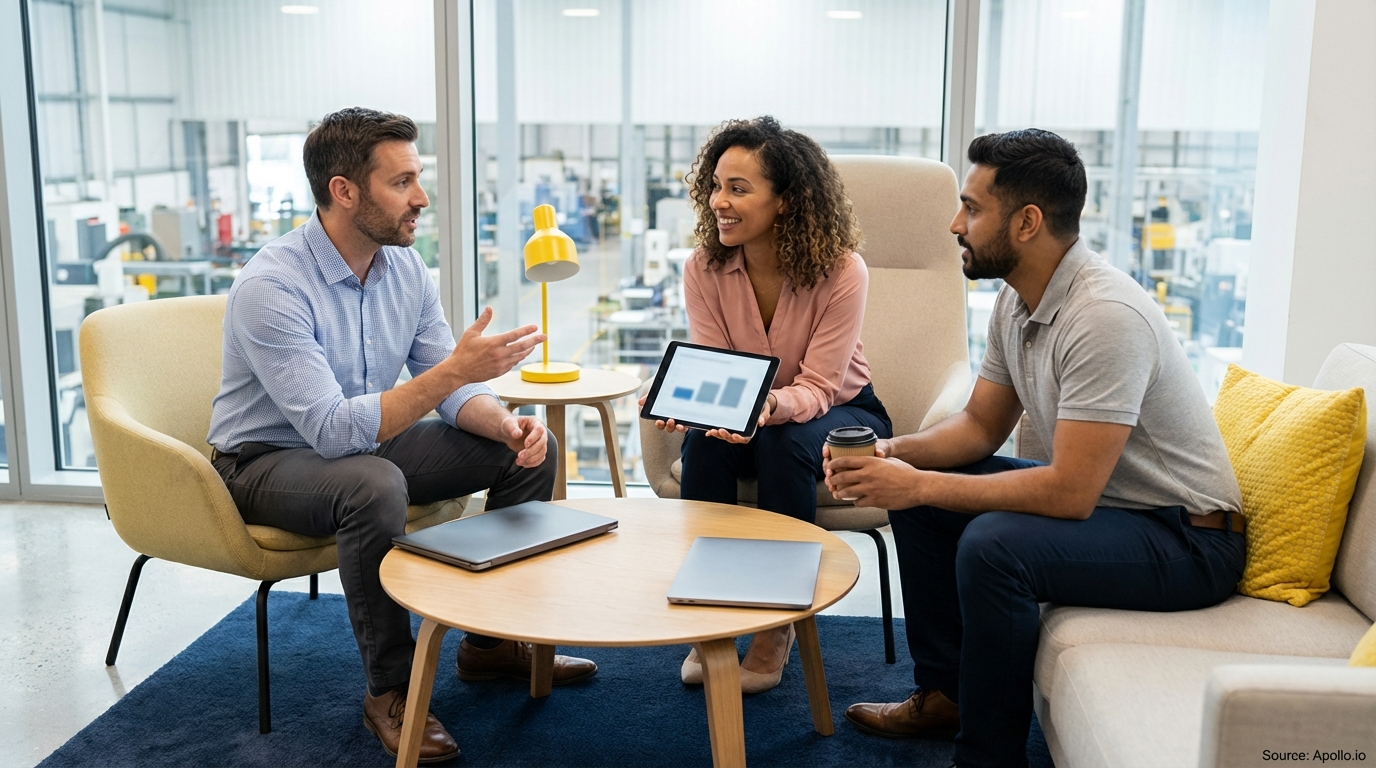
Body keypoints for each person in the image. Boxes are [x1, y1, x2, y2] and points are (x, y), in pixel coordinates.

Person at [826, 129, 1245, 768]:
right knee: (920, 491)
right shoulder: (1017, 301)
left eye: (971, 207)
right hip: (1117, 510)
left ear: (1026, 222)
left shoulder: (1104, 316)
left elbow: (1069, 493)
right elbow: (978, 429)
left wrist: (917, 483)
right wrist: (894, 454)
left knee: (994, 548)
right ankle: (946, 695)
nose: (953, 224)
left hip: (1186, 539)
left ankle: (988, 756)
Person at [207, 107, 598, 763]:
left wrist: (503, 421)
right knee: (372, 483)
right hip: (262, 464)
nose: (421, 197)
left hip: (362, 443)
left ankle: (489, 643)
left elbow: (451, 387)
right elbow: (333, 430)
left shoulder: (404, 269)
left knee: (528, 450)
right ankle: (391, 690)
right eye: (403, 181)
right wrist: (452, 374)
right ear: (344, 191)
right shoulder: (271, 286)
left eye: (419, 178)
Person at [645, 116, 892, 694]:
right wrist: (689, 401)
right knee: (702, 442)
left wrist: (763, 409)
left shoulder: (842, 271)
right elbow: (717, 369)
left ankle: (777, 624)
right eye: (715, 186)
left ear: (786, 201)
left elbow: (821, 387)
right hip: (752, 413)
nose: (719, 201)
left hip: (843, 411)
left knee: (786, 441)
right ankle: (711, 614)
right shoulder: (703, 268)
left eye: (739, 188)